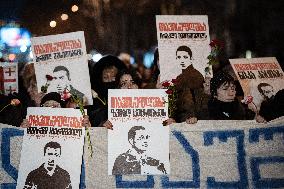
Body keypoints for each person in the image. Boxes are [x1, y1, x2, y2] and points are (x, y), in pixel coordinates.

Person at [174, 45, 210, 124]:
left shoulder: (195, 76)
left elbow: (191, 101)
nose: (182, 60)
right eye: (179, 57)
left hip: (191, 119)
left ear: (191, 58)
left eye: (185, 57)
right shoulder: (180, 76)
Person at [20, 92, 90, 128]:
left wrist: (87, 130)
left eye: (55, 106)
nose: (51, 108)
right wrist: (22, 130)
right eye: (47, 106)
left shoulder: (74, 123)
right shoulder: (32, 124)